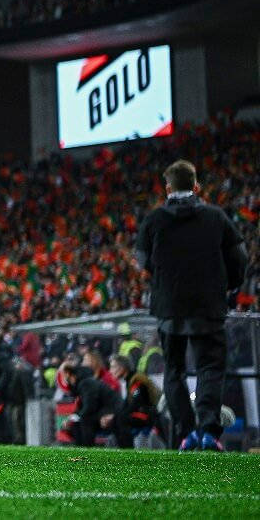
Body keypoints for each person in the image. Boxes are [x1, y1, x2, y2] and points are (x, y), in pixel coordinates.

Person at [135, 159, 247, 451]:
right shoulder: (215, 217)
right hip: (208, 305)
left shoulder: (154, 220)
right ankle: (208, 430)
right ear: (196, 186)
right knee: (210, 367)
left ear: (167, 187)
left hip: (169, 307)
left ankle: (186, 433)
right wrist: (228, 285)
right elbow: (240, 258)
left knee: (174, 370)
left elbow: (143, 262)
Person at [109, 353, 161, 448]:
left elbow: (136, 404)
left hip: (147, 416)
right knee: (116, 418)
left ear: (122, 368)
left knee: (121, 419)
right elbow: (127, 404)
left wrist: (118, 415)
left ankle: (127, 450)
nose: (110, 371)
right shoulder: (130, 380)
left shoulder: (137, 380)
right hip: (140, 413)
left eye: (113, 367)